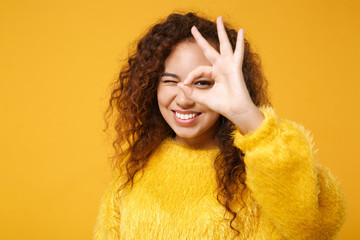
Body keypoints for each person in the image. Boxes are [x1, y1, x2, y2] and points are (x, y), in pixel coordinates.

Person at [93, 12, 346, 239]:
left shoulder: (264, 165)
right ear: (151, 87)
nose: (184, 98)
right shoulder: (135, 166)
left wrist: (246, 113)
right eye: (170, 81)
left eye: (202, 82)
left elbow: (314, 228)